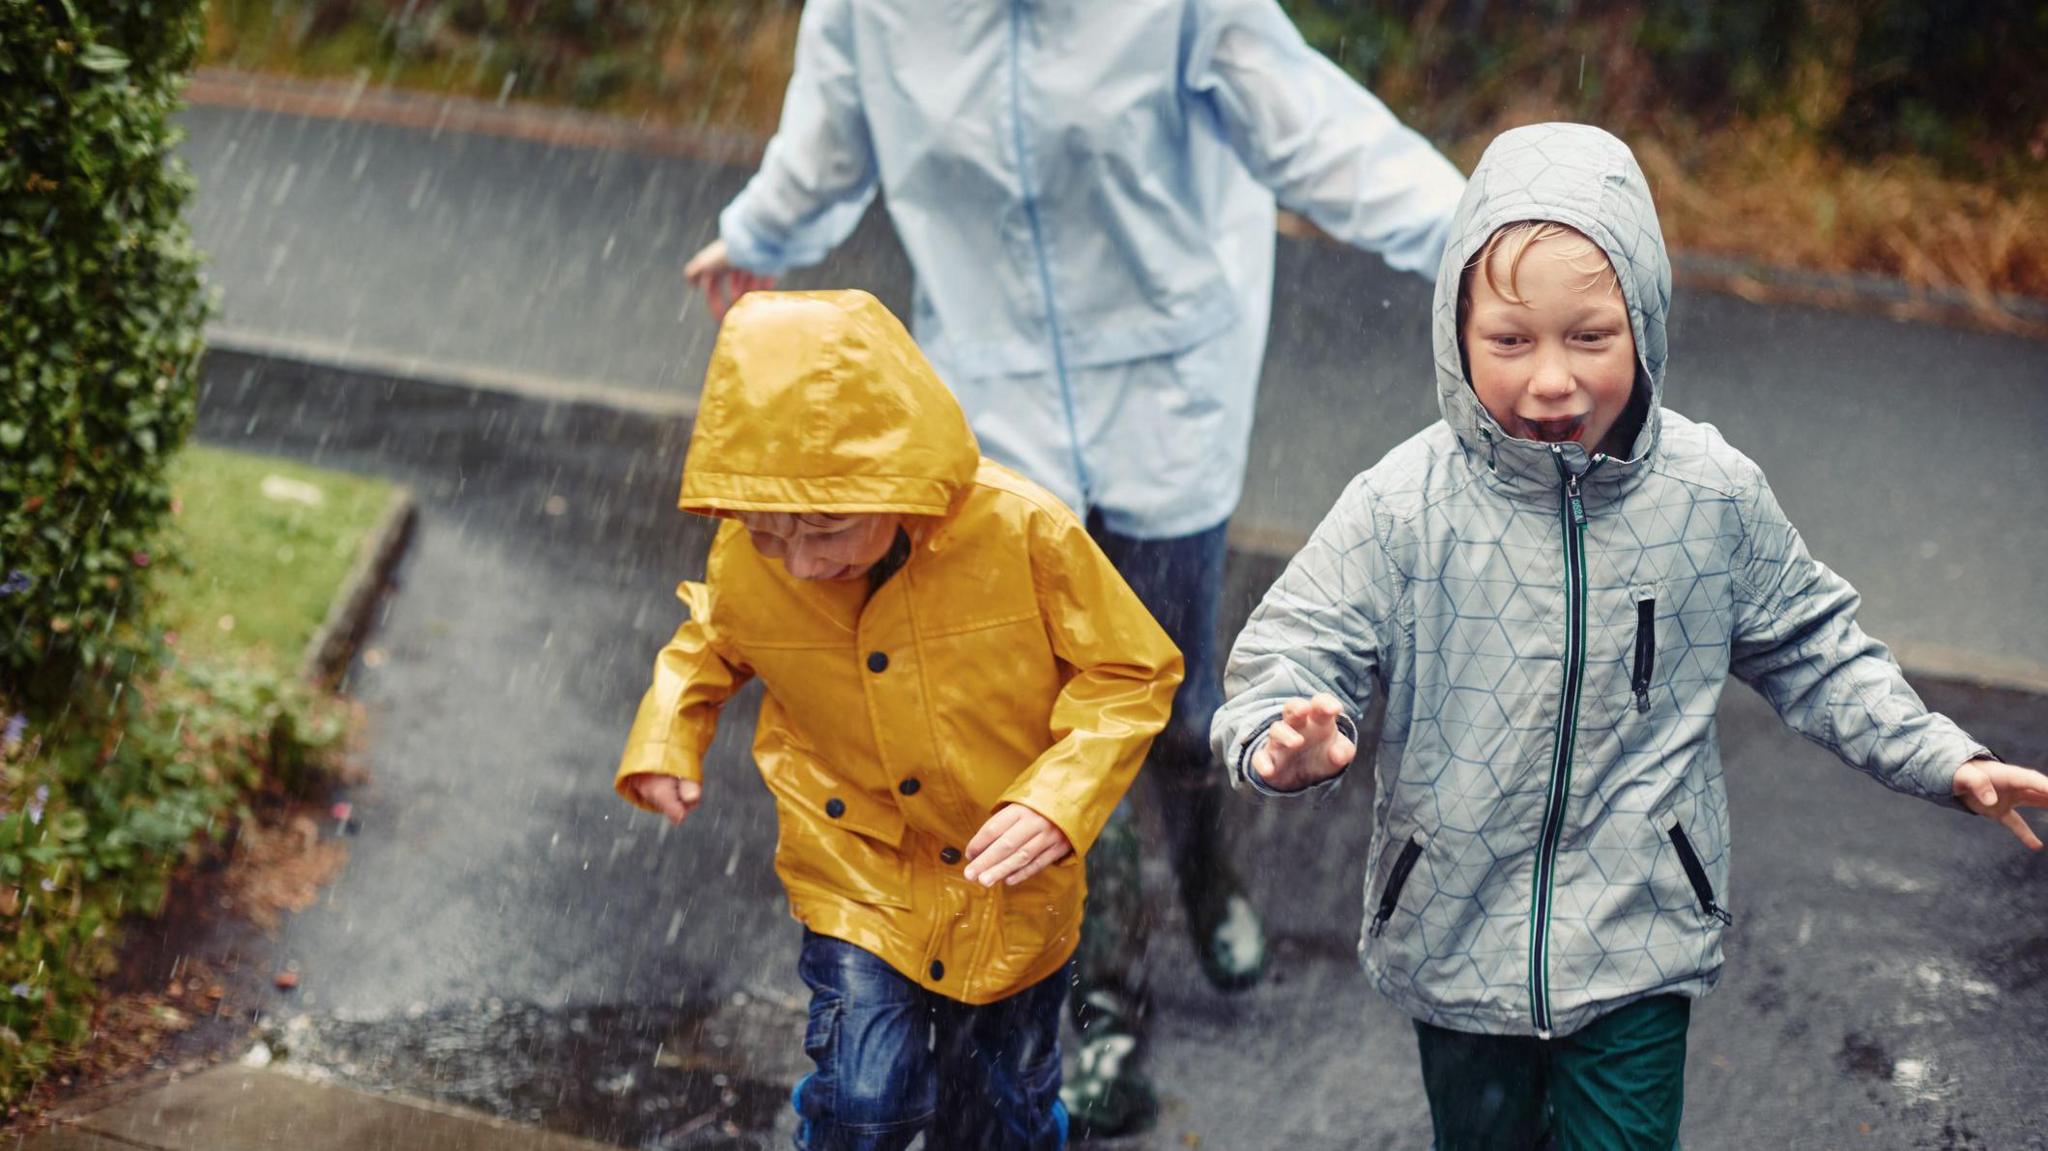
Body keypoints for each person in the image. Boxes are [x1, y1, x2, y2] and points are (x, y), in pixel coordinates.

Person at [681, 2, 1465, 1130]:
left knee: (1175, 693)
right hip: (990, 395)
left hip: (1166, 378)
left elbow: (1321, 133)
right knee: (1030, 721)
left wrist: (1495, 242)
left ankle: (1204, 868)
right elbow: (828, 137)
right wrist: (757, 232)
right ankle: (1107, 1003)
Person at [1210, 122, 2048, 1150]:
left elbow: (1813, 645)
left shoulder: (1707, 494)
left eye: (1589, 336)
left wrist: (1942, 755)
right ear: (1455, 330)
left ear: (1642, 324)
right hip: (1454, 932)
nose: (1550, 378)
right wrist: (1279, 743)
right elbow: (1290, 647)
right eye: (1510, 340)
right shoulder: (1402, 506)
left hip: (1639, 936)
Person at [615, 289, 1183, 1150]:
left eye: (829, 528)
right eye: (772, 535)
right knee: (864, 1097)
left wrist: (1057, 802)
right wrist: (669, 732)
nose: (801, 563)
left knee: (997, 1114)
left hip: (1008, 875)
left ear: (899, 473)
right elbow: (710, 638)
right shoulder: (750, 555)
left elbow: (1131, 668)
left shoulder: (1021, 530)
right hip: (855, 862)